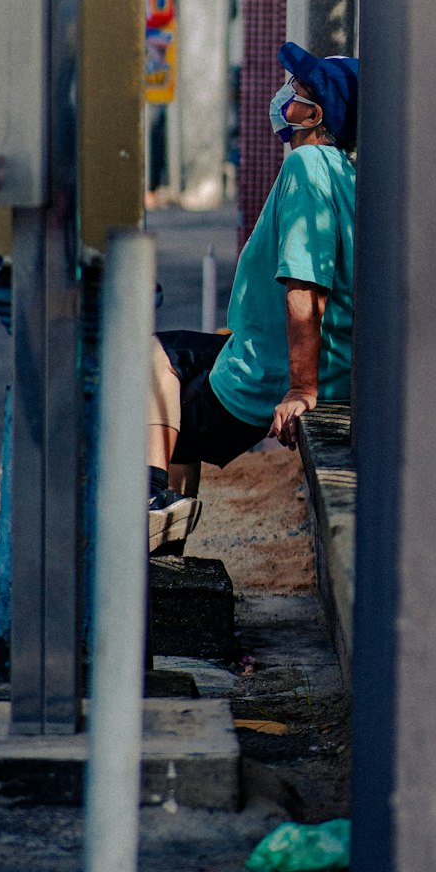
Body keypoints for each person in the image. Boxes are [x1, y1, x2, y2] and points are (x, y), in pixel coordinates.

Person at [148, 42, 358, 552]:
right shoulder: (348, 177)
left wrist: (301, 389)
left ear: (317, 114)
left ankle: (146, 504)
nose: (285, 98)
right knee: (169, 361)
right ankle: (166, 531)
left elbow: (305, 284)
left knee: (140, 365)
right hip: (288, 357)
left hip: (269, 375)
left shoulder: (307, 167)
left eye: (298, 91)